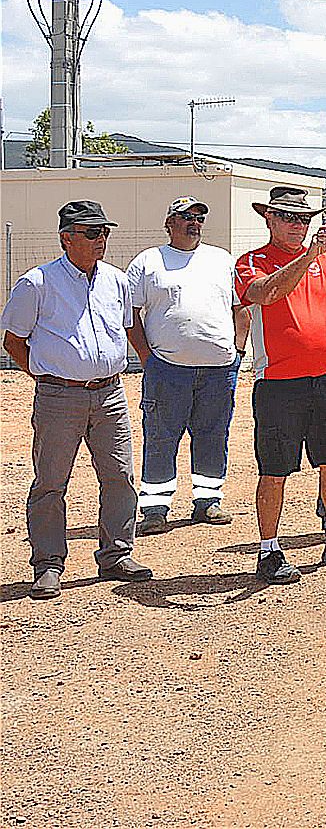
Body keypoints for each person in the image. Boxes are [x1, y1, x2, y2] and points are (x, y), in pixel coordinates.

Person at [3, 201, 154, 600]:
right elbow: (13, 340)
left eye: (104, 232)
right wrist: (45, 375)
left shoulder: (117, 282)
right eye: (91, 232)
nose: (100, 239)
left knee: (119, 477)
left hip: (110, 393)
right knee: (51, 482)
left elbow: (122, 329)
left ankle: (116, 554)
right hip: (59, 397)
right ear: (66, 237)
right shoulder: (37, 283)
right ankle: (48, 564)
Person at [235, 186, 326, 584]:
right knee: (275, 467)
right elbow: (265, 293)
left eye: (304, 218)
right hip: (279, 381)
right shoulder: (253, 261)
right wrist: (308, 257)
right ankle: (268, 550)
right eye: (289, 217)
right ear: (270, 220)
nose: (298, 225)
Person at [125, 196, 247, 534]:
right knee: (161, 437)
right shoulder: (149, 262)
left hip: (219, 371)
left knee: (212, 435)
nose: (194, 222)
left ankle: (208, 502)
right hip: (167, 369)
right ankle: (154, 508)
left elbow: (241, 308)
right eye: (185, 217)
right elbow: (130, 316)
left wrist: (237, 351)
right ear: (169, 224)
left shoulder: (221, 260)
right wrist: (148, 358)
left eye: (199, 218)